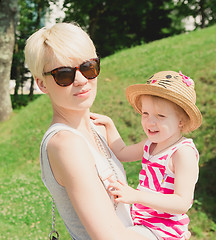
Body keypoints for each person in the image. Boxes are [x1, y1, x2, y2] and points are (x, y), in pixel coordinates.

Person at [24, 22, 155, 239]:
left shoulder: (99, 130)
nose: (81, 80)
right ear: (42, 84)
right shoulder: (66, 144)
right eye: (63, 75)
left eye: (88, 67)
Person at [92, 70, 202, 239]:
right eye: (145, 113)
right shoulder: (150, 145)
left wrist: (136, 196)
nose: (150, 122)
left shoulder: (182, 152)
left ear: (181, 120)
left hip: (163, 231)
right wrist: (109, 125)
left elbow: (182, 203)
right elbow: (122, 152)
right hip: (142, 224)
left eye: (161, 116)